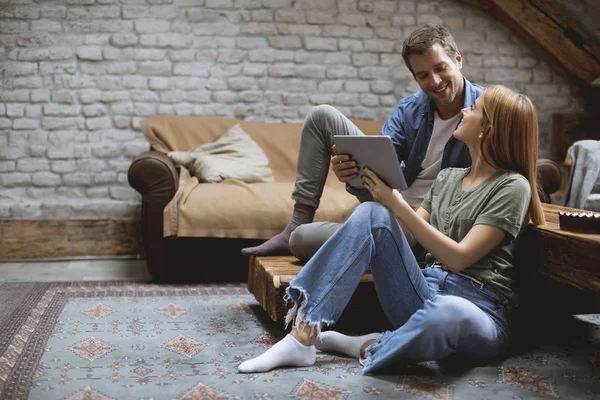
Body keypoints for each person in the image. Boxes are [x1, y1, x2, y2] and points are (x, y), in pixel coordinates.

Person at [237, 85, 546, 374]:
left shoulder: (513, 187)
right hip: (425, 293)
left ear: (488, 129)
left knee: (450, 311)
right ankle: (302, 336)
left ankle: (369, 344)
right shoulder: (450, 177)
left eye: (474, 108)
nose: (465, 111)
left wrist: (396, 202)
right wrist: (376, 192)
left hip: (478, 311)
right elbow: (412, 234)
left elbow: (460, 259)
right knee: (372, 211)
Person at [242, 24, 481, 260]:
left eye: (441, 68)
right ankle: (300, 222)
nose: (435, 81)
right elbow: (380, 163)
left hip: (433, 225)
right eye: (423, 75)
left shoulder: (489, 109)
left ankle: (394, 247)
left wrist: (429, 211)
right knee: (321, 116)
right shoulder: (410, 109)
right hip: (393, 205)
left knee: (303, 241)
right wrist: (351, 170)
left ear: (458, 59)